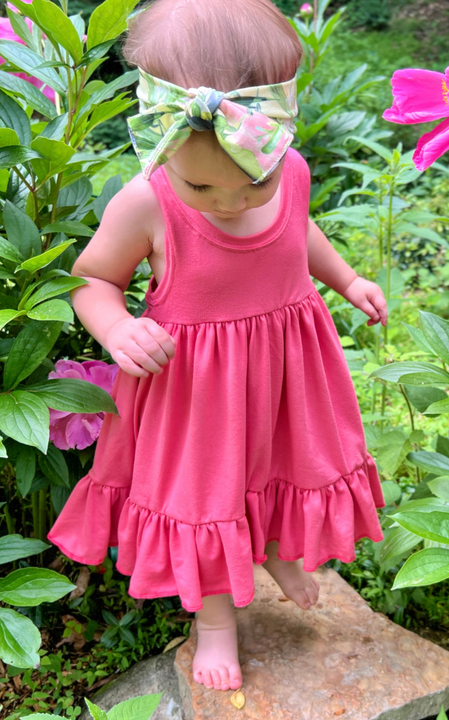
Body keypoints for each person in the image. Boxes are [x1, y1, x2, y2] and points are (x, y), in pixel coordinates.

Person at [46, 0, 387, 694]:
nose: (230, 203)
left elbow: (300, 233)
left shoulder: (288, 171)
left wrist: (346, 278)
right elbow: (90, 280)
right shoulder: (146, 202)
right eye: (202, 185)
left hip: (286, 374)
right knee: (210, 494)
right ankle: (216, 621)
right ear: (160, 140)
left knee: (281, 463)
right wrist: (115, 328)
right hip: (195, 393)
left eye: (250, 183)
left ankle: (273, 549)